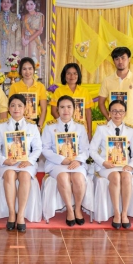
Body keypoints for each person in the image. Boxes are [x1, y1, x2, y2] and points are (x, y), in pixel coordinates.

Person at [0, 94, 42, 232]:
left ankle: (21, 214)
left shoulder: (32, 127)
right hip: (7, 163)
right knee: (9, 175)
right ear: (8, 108)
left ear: (25, 108)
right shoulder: (1, 126)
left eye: (20, 105)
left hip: (26, 163)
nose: (16, 108)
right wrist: (4, 160)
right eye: (13, 105)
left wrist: (29, 160)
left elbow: (38, 148)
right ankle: (12, 213)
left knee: (25, 176)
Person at [90, 100, 133, 229]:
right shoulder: (102, 129)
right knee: (115, 177)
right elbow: (92, 150)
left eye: (120, 111)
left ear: (125, 113)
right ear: (109, 112)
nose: (117, 114)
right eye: (114, 111)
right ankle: (116, 213)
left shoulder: (131, 131)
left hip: (124, 165)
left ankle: (125, 213)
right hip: (106, 166)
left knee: (126, 176)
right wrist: (103, 162)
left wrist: (131, 166)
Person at [42, 95, 90, 226]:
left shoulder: (80, 127)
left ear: (74, 109)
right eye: (62, 107)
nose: (65, 110)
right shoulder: (50, 126)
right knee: (63, 177)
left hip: (76, 162)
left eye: (69, 107)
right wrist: (61, 159)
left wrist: (78, 160)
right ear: (57, 109)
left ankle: (78, 208)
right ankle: (69, 209)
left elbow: (86, 149)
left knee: (78, 178)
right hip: (56, 163)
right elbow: (44, 149)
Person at [98, 47, 133, 128]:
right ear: (113, 61)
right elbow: (100, 103)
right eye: (117, 59)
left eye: (123, 58)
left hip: (131, 125)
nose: (120, 61)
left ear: (129, 59)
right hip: (113, 125)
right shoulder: (107, 81)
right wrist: (109, 118)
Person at [50, 63, 93, 136]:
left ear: (78, 75)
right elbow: (53, 111)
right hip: (63, 129)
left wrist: (89, 132)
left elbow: (88, 113)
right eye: (69, 73)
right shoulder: (58, 91)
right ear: (64, 75)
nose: (72, 76)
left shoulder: (84, 91)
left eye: (75, 73)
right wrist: (64, 122)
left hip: (82, 129)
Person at [8, 57, 48, 128]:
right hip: (18, 121)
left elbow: (44, 109)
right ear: (20, 71)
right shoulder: (14, 86)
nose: (27, 72)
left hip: (35, 121)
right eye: (24, 69)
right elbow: (10, 106)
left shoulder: (40, 86)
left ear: (34, 69)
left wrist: (39, 126)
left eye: (30, 68)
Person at [21, 0, 46, 71]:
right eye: (27, 4)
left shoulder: (40, 15)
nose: (29, 6)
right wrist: (23, 39)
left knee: (34, 58)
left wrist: (29, 40)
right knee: (25, 59)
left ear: (35, 5)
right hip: (25, 41)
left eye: (31, 4)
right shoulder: (24, 17)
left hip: (34, 40)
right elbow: (22, 28)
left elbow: (40, 30)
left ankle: (35, 76)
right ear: (25, 6)